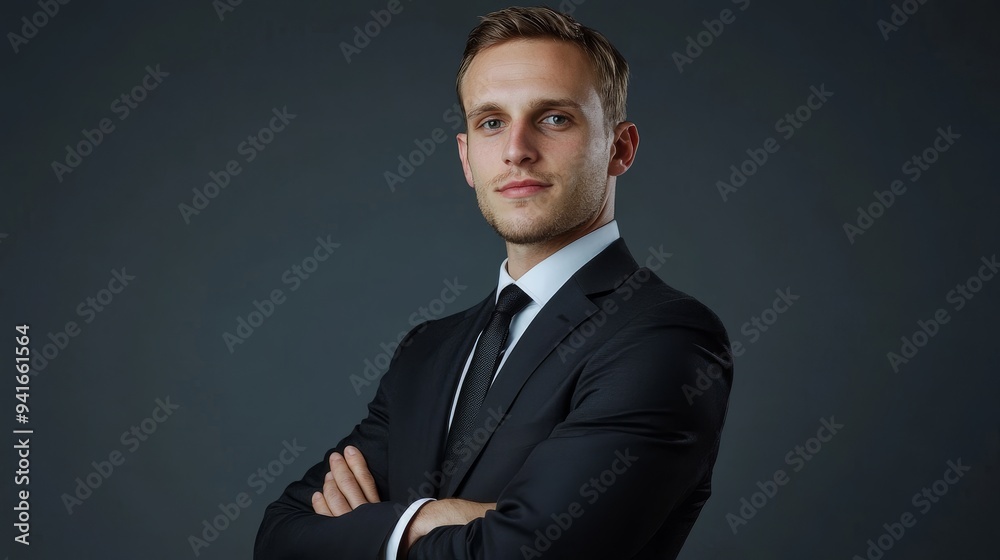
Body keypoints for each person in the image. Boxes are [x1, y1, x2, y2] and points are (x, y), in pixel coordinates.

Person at [254, 6, 732, 559]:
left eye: (554, 118)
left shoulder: (662, 337)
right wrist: (427, 520)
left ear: (619, 148)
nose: (516, 149)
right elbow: (280, 536)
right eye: (491, 122)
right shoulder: (427, 352)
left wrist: (374, 533)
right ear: (466, 158)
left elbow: (530, 553)